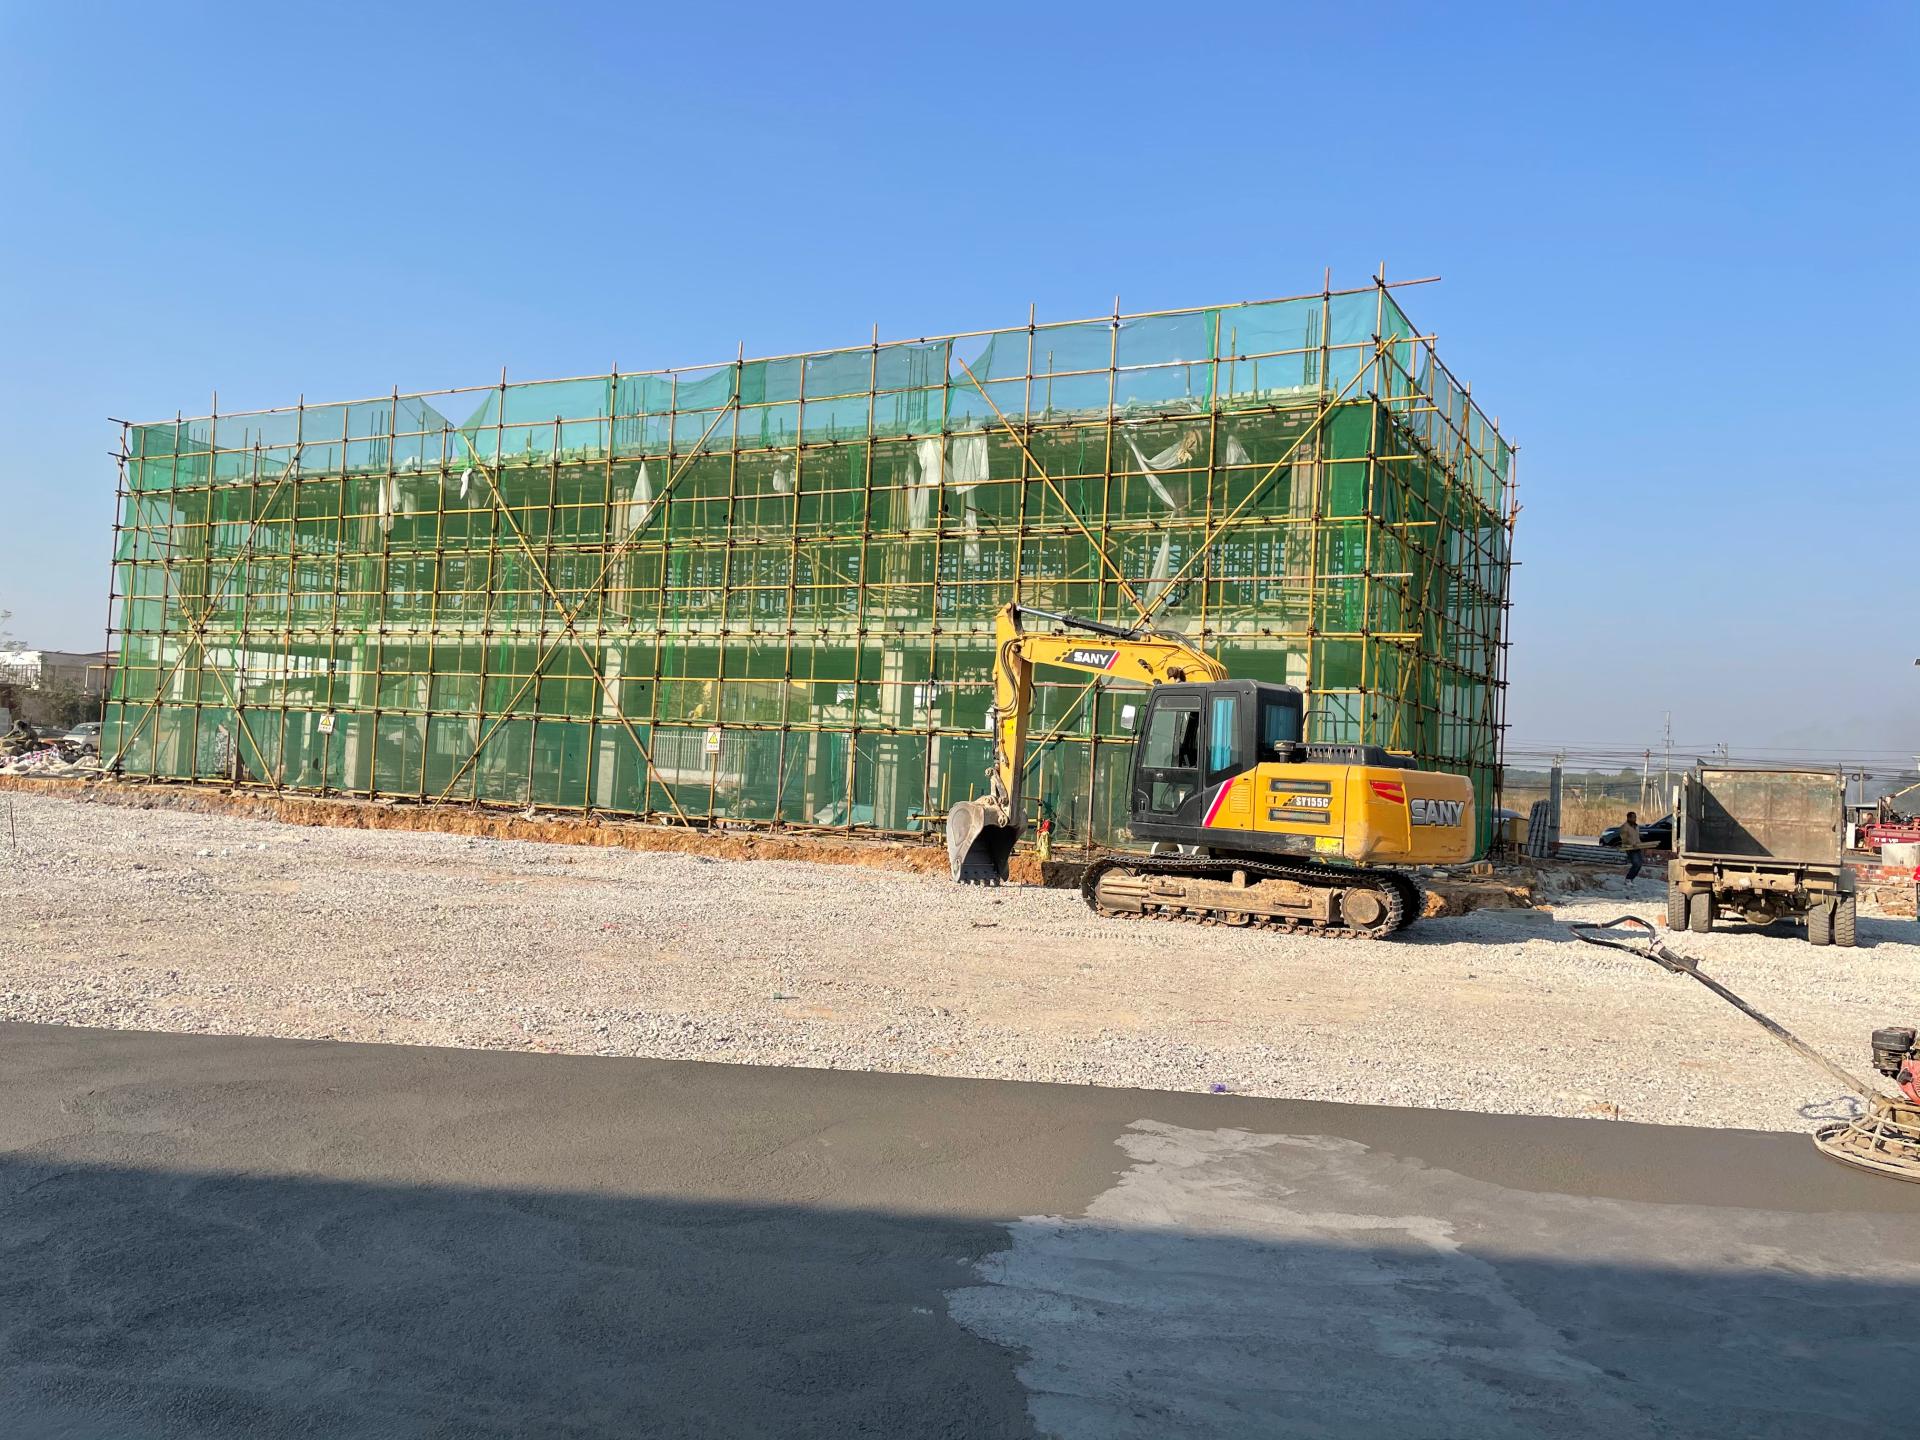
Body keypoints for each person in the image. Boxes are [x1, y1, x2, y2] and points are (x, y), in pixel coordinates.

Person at [1619, 811, 1646, 884]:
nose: (1635, 819)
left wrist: (1640, 841)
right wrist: (1631, 844)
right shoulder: (1624, 827)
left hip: (1637, 847)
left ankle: (1631, 879)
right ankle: (1628, 879)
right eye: (1633, 817)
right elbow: (1624, 838)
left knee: (1639, 864)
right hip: (1630, 848)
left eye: (1635, 817)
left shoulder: (1636, 826)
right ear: (1629, 818)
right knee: (1636, 864)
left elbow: (1637, 836)